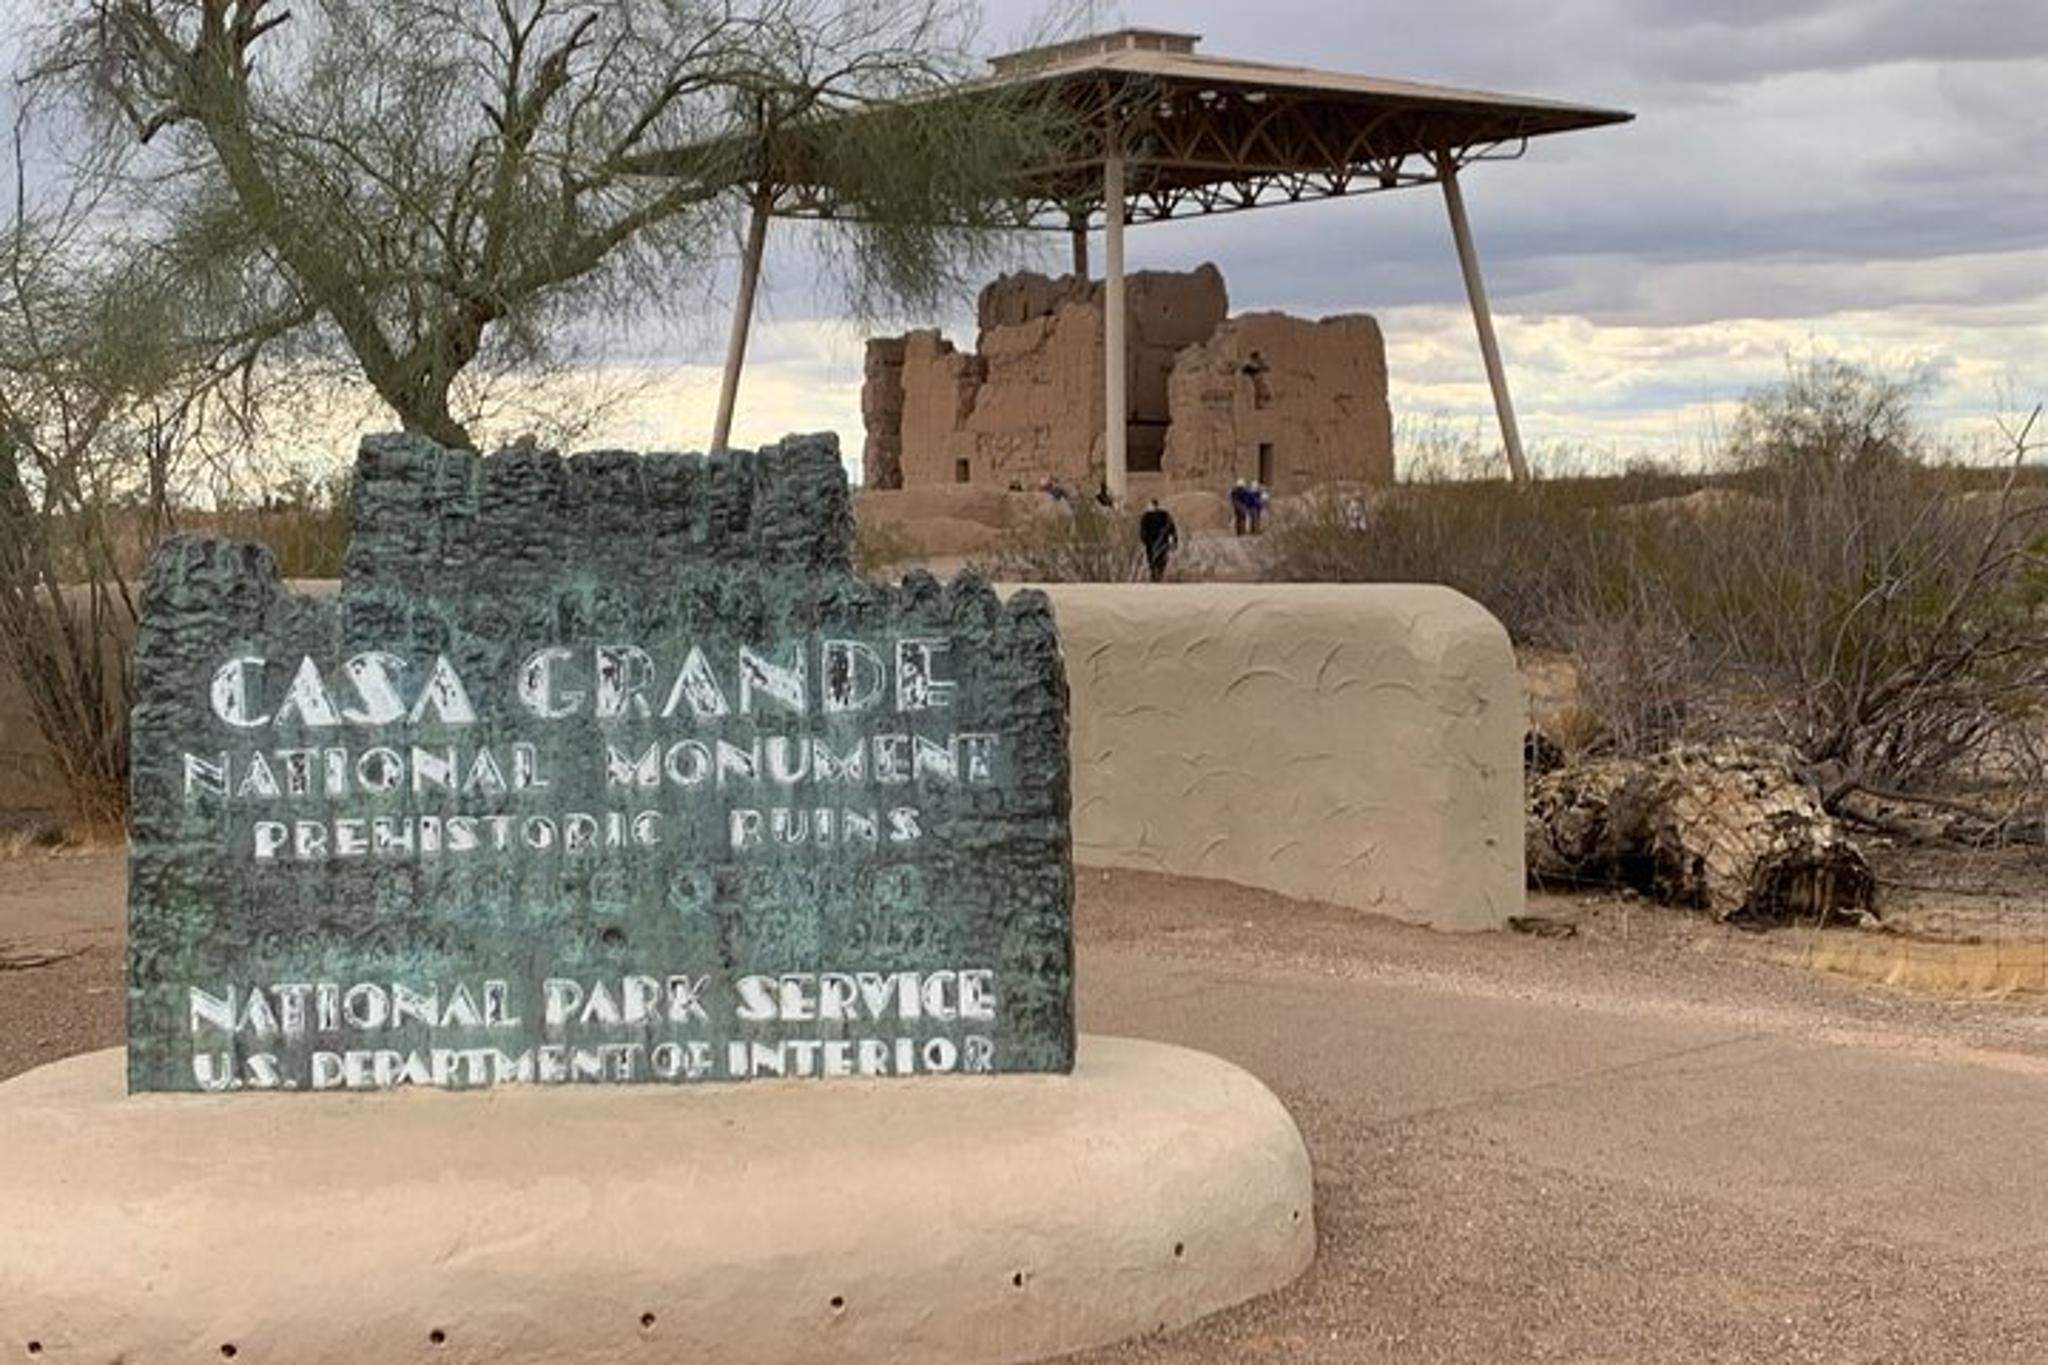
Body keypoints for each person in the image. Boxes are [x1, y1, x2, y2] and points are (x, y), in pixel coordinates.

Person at [1138, 499, 1178, 583]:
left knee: (1161, 561)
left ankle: (1159, 577)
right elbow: (1143, 531)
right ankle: (1154, 577)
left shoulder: (1164, 515)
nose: (1153, 507)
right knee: (1152, 562)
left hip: (1162, 543)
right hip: (1151, 544)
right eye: (1152, 505)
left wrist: (1174, 540)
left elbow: (1171, 528)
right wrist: (1144, 540)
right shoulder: (1146, 517)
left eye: (1154, 505)